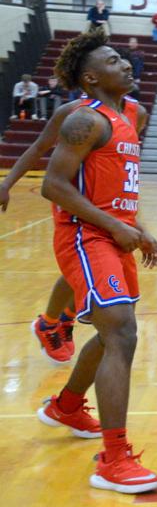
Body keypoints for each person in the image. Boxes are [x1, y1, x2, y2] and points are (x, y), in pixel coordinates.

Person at [36, 28, 157, 493]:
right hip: (85, 238)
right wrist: (115, 227)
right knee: (121, 333)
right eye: (113, 61)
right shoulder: (84, 120)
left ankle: (68, 406)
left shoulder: (128, 119)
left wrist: (139, 228)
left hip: (115, 236)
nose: (126, 64)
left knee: (114, 331)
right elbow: (54, 186)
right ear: (90, 78)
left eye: (124, 59)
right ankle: (113, 459)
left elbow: (118, 193)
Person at [3, 96, 91, 364]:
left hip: (108, 200)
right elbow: (40, 146)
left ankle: (62, 319)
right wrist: (6, 183)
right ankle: (50, 322)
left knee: (85, 269)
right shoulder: (71, 111)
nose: (125, 69)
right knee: (81, 268)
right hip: (75, 198)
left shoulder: (134, 112)